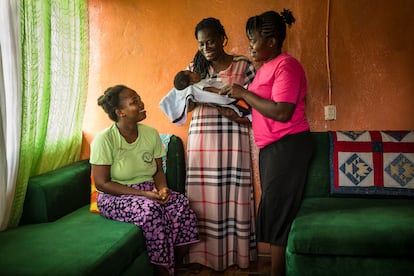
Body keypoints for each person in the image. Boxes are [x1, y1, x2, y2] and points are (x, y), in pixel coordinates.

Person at [222, 10, 315, 276]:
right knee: (275, 210)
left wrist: (242, 93)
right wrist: (239, 116)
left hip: (289, 146)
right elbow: (264, 113)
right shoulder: (265, 69)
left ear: (272, 42)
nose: (250, 45)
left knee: (278, 211)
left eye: (253, 40)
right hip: (272, 147)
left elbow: (282, 112)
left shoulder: (288, 66)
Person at [89, 85, 199, 276]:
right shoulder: (104, 139)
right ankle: (163, 270)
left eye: (139, 98)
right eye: (134, 102)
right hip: (115, 196)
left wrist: (163, 189)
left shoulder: (150, 133)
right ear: (120, 112)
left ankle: (175, 263)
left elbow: (157, 171)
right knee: (151, 210)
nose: (141, 104)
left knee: (180, 203)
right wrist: (145, 195)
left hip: (148, 190)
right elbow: (102, 183)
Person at [184, 17, 257, 272]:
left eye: (211, 41)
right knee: (202, 196)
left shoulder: (243, 65)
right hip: (202, 136)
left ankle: (235, 255)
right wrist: (190, 98)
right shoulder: (195, 67)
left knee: (232, 192)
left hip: (232, 135)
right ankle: (200, 256)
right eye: (202, 44)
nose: (206, 47)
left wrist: (237, 114)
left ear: (222, 38)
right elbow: (186, 105)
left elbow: (255, 103)